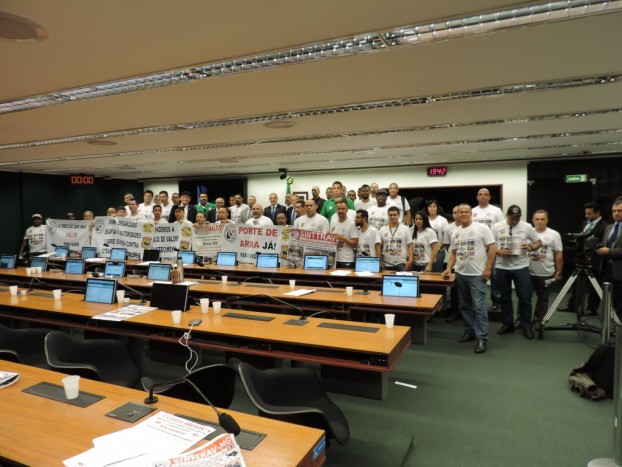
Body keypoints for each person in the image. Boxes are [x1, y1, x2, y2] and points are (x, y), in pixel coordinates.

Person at [443, 204, 496, 354]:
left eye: (466, 212)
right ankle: (470, 331)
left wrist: (488, 268)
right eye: (461, 212)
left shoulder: (481, 228)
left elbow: (492, 248)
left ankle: (481, 338)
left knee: (479, 307)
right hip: (461, 274)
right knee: (465, 305)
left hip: (477, 275)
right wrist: (449, 268)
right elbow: (453, 253)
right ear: (457, 215)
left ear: (471, 213)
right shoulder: (455, 232)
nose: (463, 214)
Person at [492, 205, 542, 339]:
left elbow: (538, 242)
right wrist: (499, 251)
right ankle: (508, 324)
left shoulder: (526, 226)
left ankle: (527, 326)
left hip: (521, 266)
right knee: (504, 297)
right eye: (512, 218)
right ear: (507, 215)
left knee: (525, 297)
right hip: (502, 267)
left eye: (517, 218)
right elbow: (490, 245)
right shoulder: (496, 227)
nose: (515, 221)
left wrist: (531, 247)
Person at [558, 201, 609, 313]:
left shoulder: (605, 227)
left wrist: (593, 245)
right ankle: (573, 305)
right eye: (586, 213)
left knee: (594, 286)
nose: (586, 216)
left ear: (597, 213)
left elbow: (604, 243)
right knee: (577, 284)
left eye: (589, 213)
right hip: (582, 259)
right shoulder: (585, 223)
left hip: (595, 261)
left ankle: (592, 309)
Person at [529, 210, 563, 329]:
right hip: (527, 272)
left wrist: (558, 271)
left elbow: (558, 254)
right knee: (524, 297)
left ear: (547, 220)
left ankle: (538, 321)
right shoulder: (528, 232)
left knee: (543, 299)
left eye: (542, 219)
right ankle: (522, 320)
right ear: (533, 220)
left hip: (546, 272)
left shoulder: (554, 234)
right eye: (537, 219)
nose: (540, 221)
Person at [472, 188, 505, 310]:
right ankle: (476, 300)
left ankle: (496, 300)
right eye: (480, 194)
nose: (483, 196)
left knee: (494, 275)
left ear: (489, 197)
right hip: (477, 249)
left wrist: (499, 247)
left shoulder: (496, 211)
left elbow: (502, 229)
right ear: (477, 197)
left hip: (492, 247)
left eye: (486, 194)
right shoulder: (472, 211)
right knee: (478, 274)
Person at [596, 197, 622, 320]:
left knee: (619, 301)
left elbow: (612, 249)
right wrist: (597, 247)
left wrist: (609, 251)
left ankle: (619, 327)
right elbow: (605, 245)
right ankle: (609, 325)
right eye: (614, 211)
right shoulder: (609, 228)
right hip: (606, 269)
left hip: (620, 271)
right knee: (607, 299)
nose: (616, 213)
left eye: (620, 211)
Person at [443, 206, 463, 323]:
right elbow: (447, 245)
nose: (456, 214)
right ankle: (455, 312)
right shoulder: (448, 228)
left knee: (466, 291)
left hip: (466, 263)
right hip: (454, 263)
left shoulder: (470, 226)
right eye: (454, 212)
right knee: (454, 291)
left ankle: (466, 313)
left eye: (458, 212)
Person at [380, 206, 413, 271]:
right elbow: (379, 247)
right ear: (388, 216)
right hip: (386, 264)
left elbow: (410, 245)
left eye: (395, 215)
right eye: (390, 215)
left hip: (401, 263)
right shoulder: (382, 229)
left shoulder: (405, 229)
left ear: (399, 215)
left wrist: (410, 260)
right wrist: (380, 260)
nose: (392, 217)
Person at [330, 200, 358, 268]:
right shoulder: (333, 222)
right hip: (334, 259)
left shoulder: (352, 223)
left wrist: (342, 238)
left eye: (343, 209)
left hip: (347, 259)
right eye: (339, 209)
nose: (341, 211)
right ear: (336, 210)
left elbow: (355, 243)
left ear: (347, 210)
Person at [426, 199, 448, 272]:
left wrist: (438, 248)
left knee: (437, 272)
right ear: (427, 208)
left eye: (434, 206)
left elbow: (445, 237)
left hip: (439, 251)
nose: (432, 208)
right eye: (430, 206)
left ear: (437, 208)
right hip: (427, 251)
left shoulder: (443, 220)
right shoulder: (425, 219)